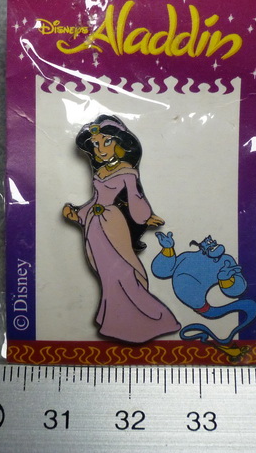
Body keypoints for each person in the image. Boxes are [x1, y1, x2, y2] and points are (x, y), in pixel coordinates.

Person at [62, 114, 180, 343]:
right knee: (107, 275)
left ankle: (149, 319)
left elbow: (135, 198)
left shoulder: (127, 171)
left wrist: (145, 217)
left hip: (113, 224)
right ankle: (113, 318)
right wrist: (77, 214)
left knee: (122, 271)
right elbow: (96, 201)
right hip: (94, 226)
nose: (100, 149)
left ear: (120, 143)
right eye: (96, 144)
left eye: (107, 142)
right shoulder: (100, 171)